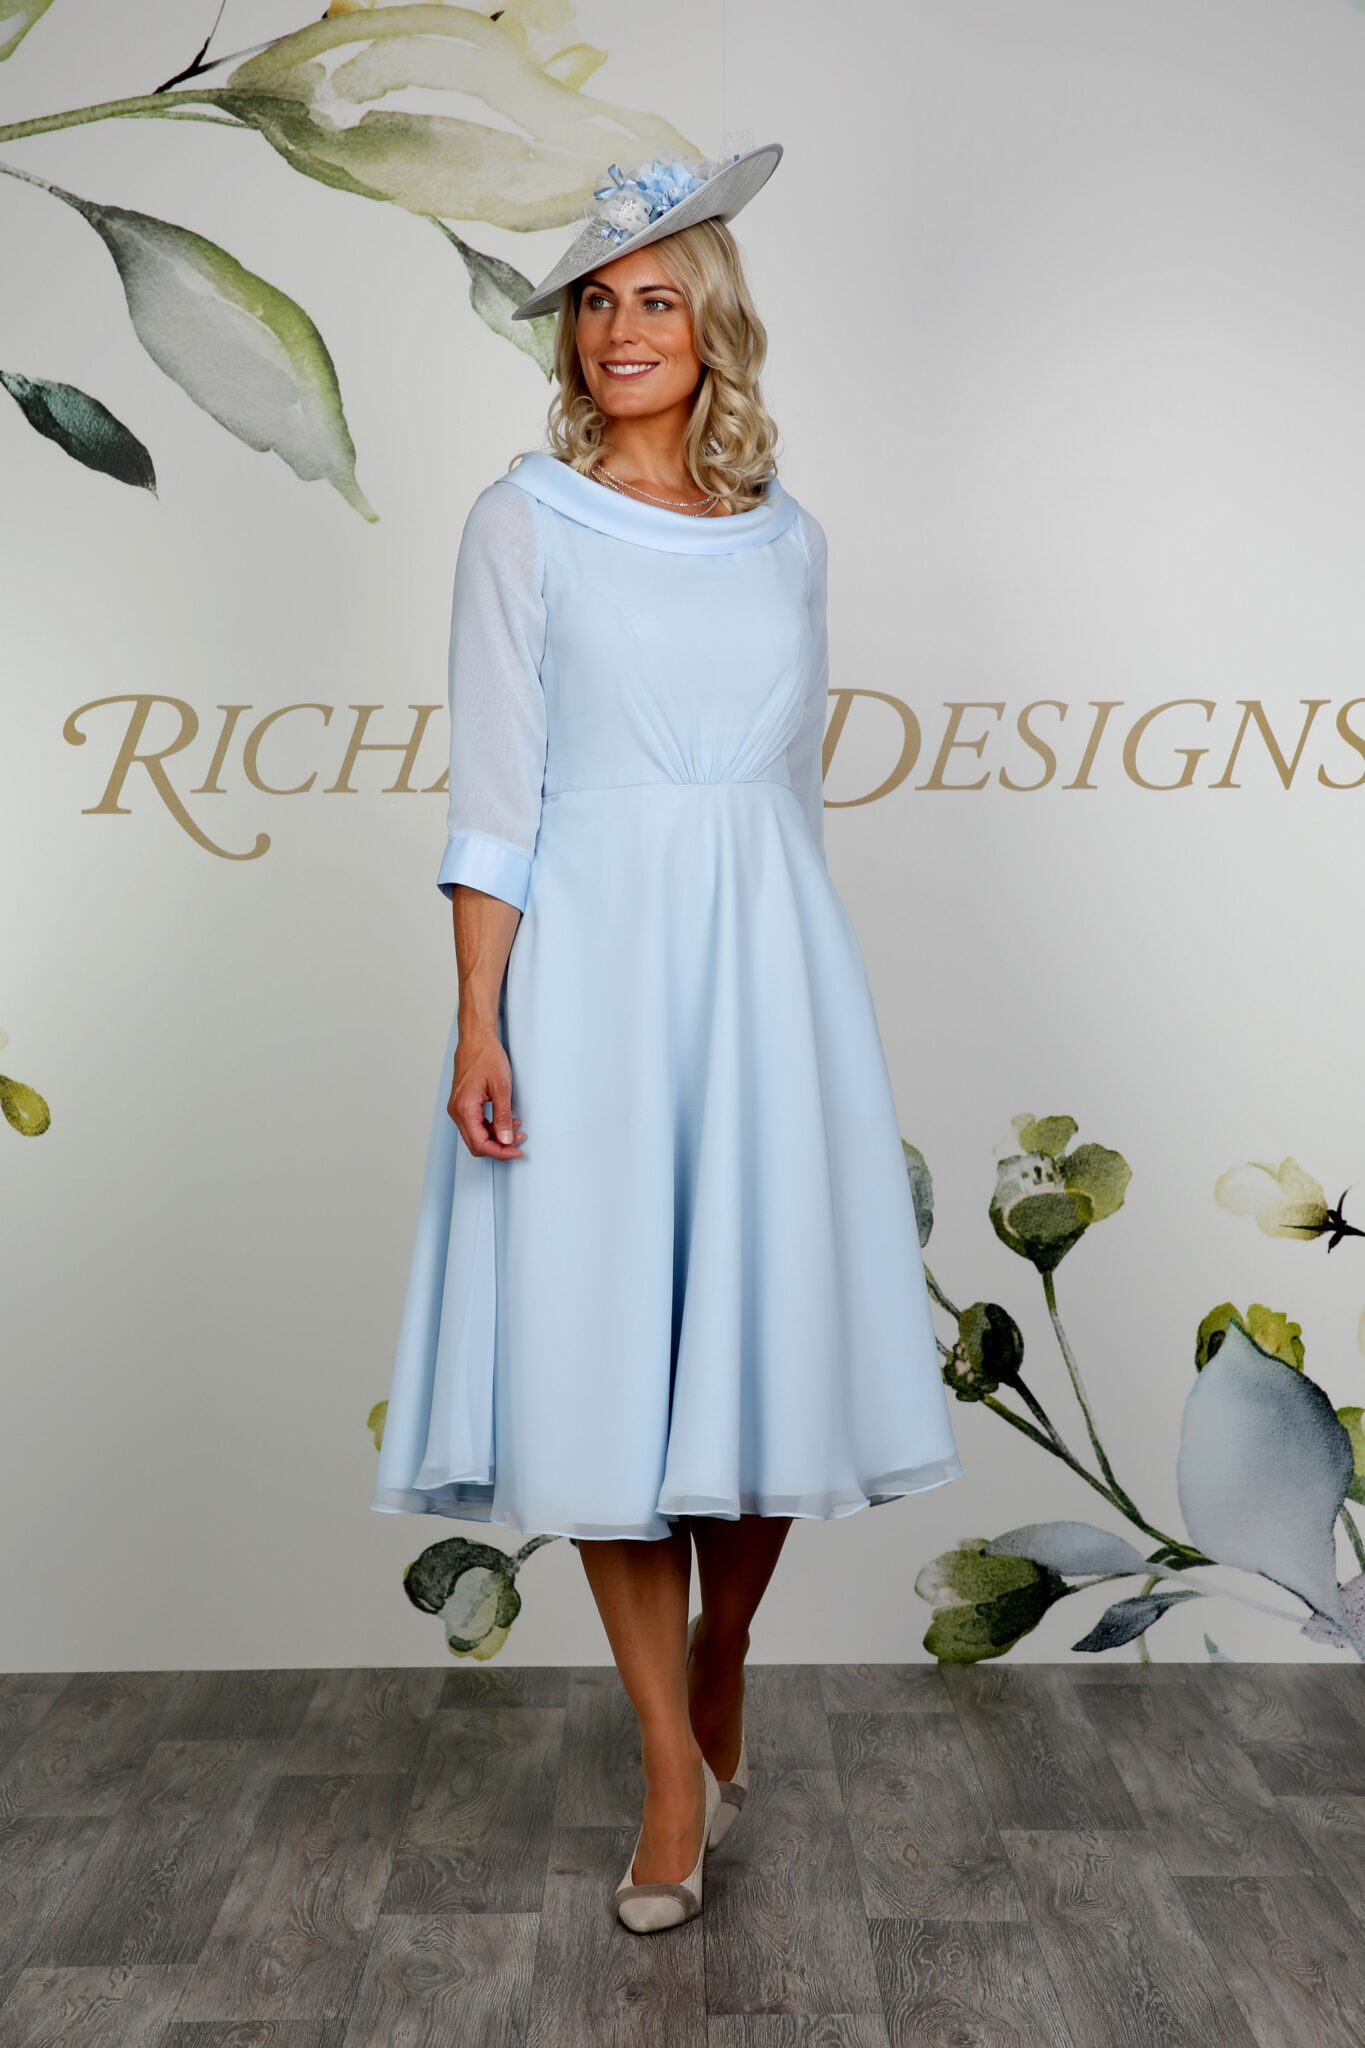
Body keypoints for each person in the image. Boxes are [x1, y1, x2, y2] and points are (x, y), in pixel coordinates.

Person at [370, 141, 964, 1932]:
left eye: (654, 300)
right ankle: (661, 1765)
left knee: (767, 1346)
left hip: (770, 970)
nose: (621, 329)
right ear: (570, 340)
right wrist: (478, 1019)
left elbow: (784, 791)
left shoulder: (789, 535)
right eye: (595, 305)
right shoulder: (520, 523)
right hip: (593, 977)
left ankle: (728, 1649)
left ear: (711, 328)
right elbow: (496, 797)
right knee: (605, 1367)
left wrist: (796, 978)